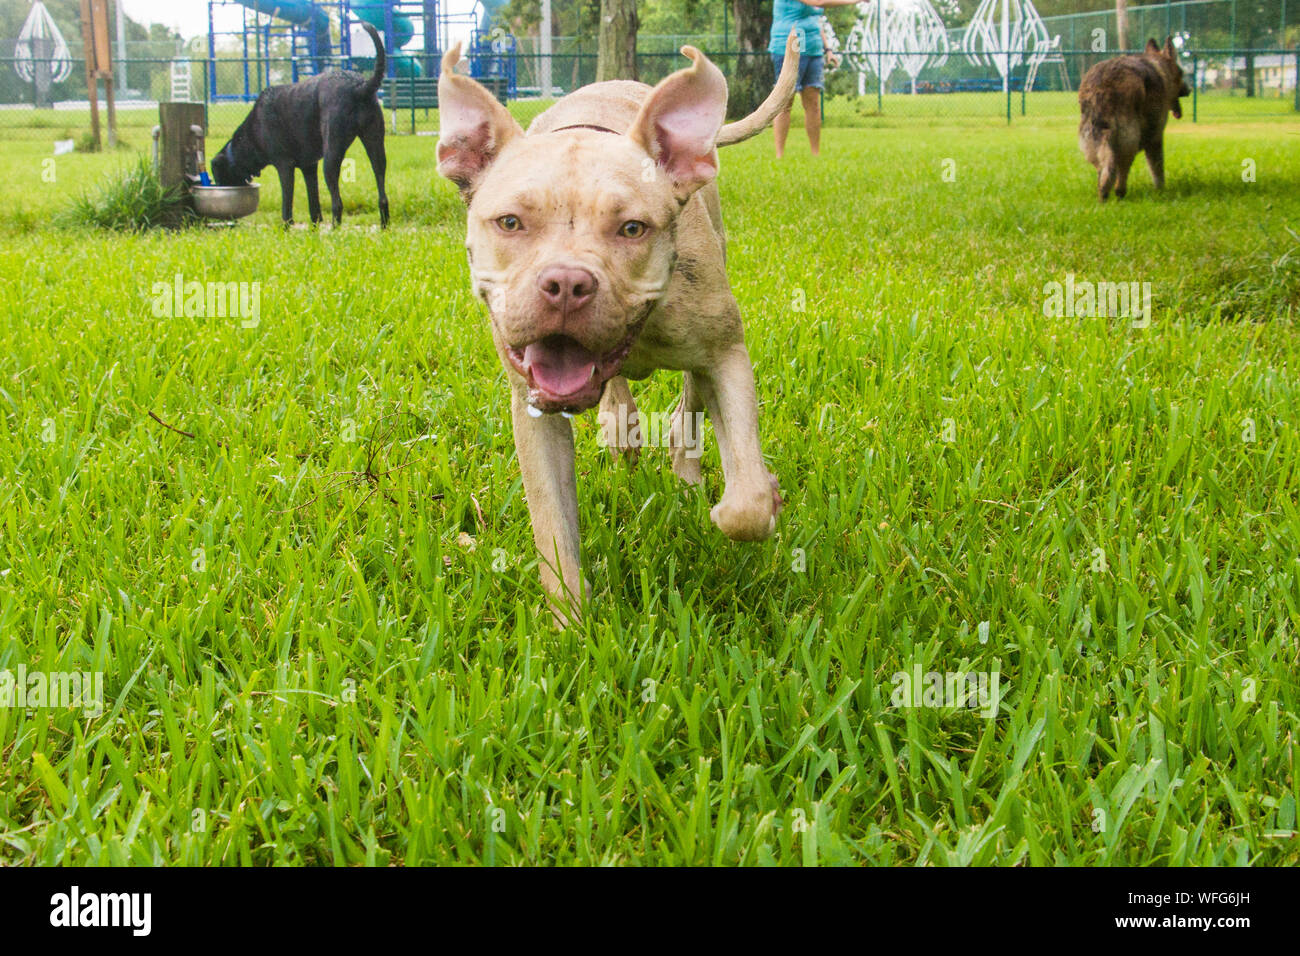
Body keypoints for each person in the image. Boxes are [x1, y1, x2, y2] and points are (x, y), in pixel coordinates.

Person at [769, 0, 859, 157]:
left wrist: (828, 49)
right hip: (788, 47)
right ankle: (779, 155)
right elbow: (820, 1)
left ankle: (815, 153)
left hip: (813, 48)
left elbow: (816, 21)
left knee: (813, 103)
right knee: (785, 103)